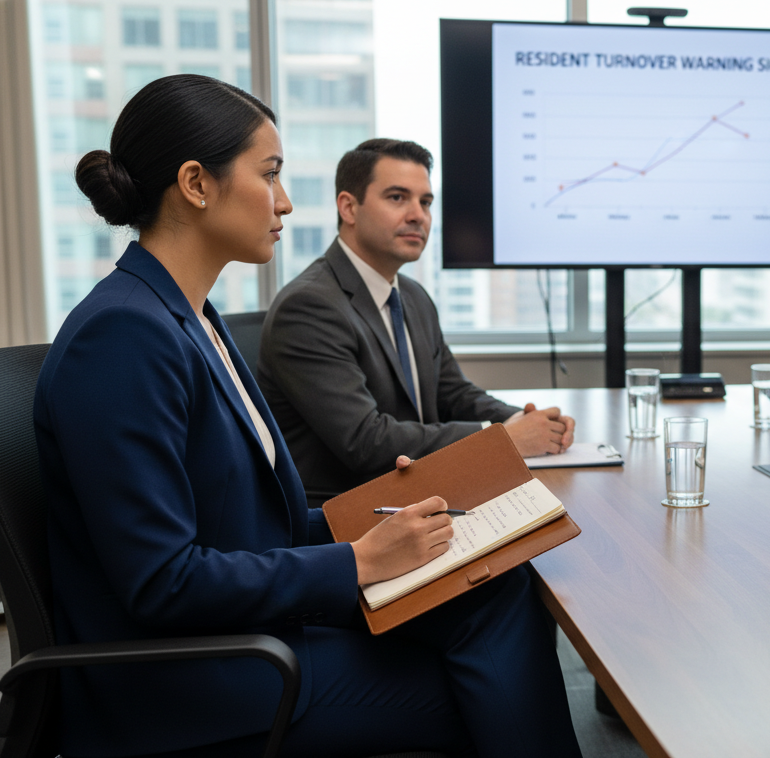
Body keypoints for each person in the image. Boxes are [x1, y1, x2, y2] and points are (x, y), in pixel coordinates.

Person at [34, 74, 582, 757]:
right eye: (269, 174)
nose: (286, 202)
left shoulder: (193, 318)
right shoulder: (121, 337)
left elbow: (245, 516)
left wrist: (392, 519)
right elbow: (162, 582)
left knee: (499, 593)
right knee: (484, 687)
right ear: (197, 184)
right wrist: (356, 561)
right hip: (191, 681)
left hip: (252, 627)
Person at [258, 138, 575, 505]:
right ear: (348, 207)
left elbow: (454, 393)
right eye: (397, 198)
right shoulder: (309, 306)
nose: (417, 215)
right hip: (354, 515)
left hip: (423, 495)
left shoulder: (412, 296)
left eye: (425, 202)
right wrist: (503, 436)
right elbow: (366, 441)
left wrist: (528, 421)